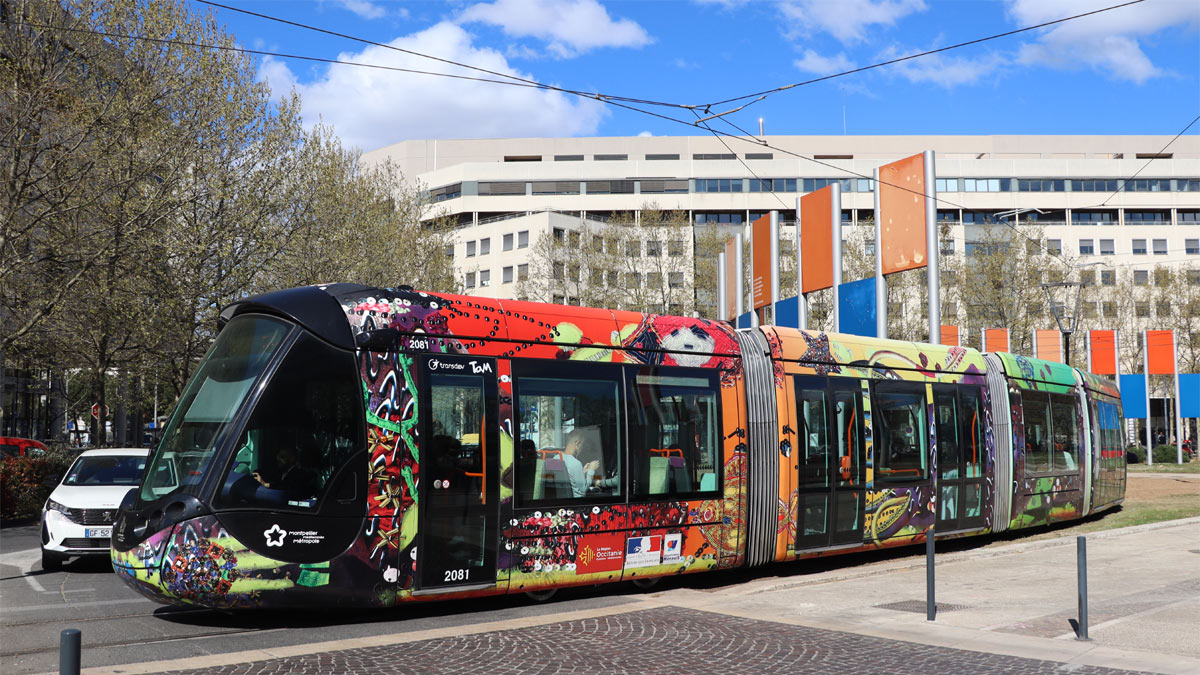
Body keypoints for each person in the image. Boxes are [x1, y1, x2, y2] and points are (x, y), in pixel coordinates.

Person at [253, 444, 318, 498]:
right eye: (277, 456)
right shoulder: (279, 471)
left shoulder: (300, 475)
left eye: (282, 457)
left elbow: (288, 490)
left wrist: (265, 484)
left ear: (292, 459)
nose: (278, 459)